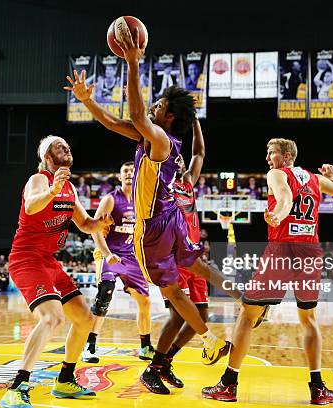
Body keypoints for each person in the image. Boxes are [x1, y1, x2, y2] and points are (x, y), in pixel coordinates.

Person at [64, 30, 235, 396]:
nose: (151, 109)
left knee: (174, 294)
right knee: (198, 270)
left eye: (158, 106)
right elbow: (113, 123)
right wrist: (87, 103)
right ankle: (244, 294)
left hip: (153, 227)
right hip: (173, 218)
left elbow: (136, 113)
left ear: (168, 116)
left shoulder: (157, 137)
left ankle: (209, 341)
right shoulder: (161, 141)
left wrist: (132, 63)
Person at [202, 138, 333, 404]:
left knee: (247, 316)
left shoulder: (276, 173)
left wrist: (279, 214)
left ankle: (229, 384)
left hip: (283, 251)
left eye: (270, 152)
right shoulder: (312, 178)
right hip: (310, 252)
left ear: (286, 156)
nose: (267, 158)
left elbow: (285, 197)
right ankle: (318, 388)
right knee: (309, 320)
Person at [0, 135, 112, 407]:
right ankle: (17, 386)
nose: (66, 148)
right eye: (59, 146)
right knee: (52, 318)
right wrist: (52, 190)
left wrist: (102, 223)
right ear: (47, 157)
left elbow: (85, 224)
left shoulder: (69, 189)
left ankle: (64, 380)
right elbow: (30, 205)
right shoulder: (40, 180)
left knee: (85, 319)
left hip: (49, 262)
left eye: (67, 145)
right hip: (27, 260)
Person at [81, 161, 155, 363]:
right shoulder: (110, 200)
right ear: (120, 177)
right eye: (125, 171)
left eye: (133, 171)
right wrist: (106, 254)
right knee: (105, 292)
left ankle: (146, 346)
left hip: (131, 257)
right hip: (110, 252)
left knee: (145, 301)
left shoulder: (143, 202)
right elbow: (95, 229)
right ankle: (90, 345)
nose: (130, 174)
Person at [157, 118, 210, 389]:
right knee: (178, 316)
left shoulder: (187, 181)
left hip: (194, 260)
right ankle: (154, 368)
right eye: (174, 160)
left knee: (202, 317)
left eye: (180, 160)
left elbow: (199, 153)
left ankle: (166, 362)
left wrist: (195, 123)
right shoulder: (160, 186)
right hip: (172, 259)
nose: (179, 163)